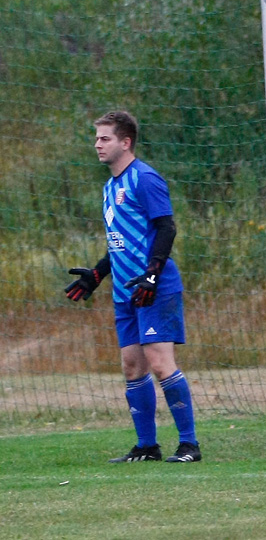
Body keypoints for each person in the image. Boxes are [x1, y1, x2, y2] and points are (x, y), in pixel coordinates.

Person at [65, 111, 201, 464]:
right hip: (126, 290)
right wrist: (96, 275)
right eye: (96, 138)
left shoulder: (145, 178)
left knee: (159, 362)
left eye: (104, 138)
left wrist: (153, 274)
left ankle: (189, 445)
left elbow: (166, 228)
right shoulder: (110, 186)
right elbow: (119, 242)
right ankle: (146, 447)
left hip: (154, 288)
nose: (97, 144)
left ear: (125, 142)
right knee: (131, 366)